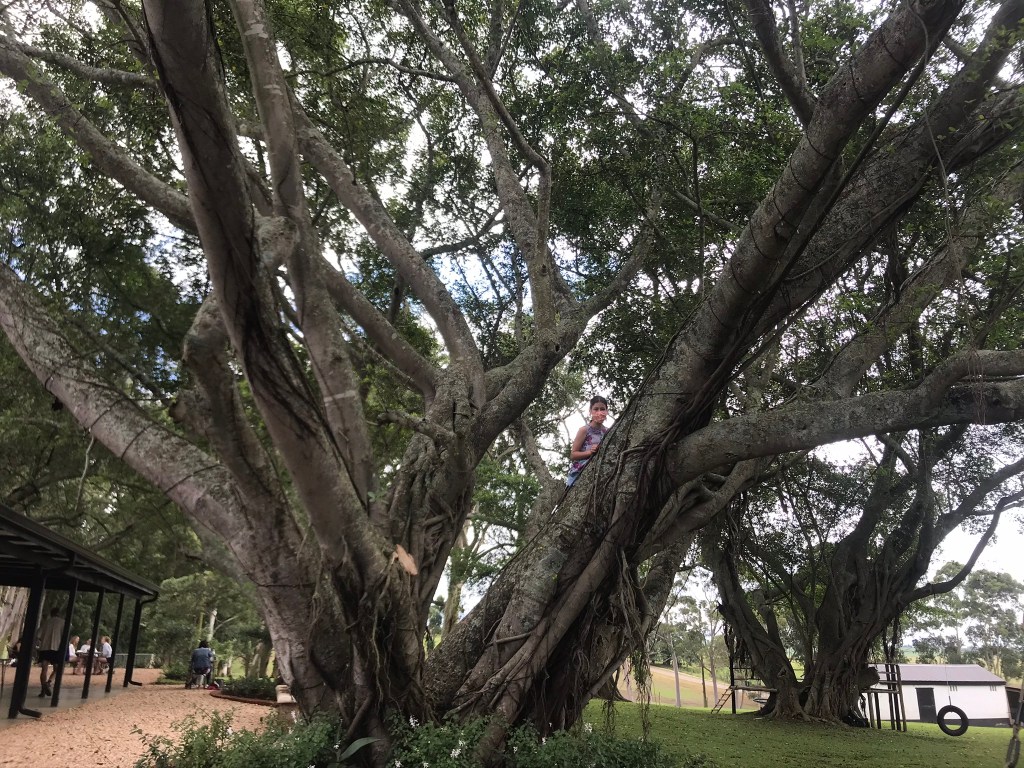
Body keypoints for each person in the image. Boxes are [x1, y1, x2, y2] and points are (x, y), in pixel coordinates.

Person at [566, 396, 610, 487]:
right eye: (596, 409)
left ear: (606, 411)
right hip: (579, 473)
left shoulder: (609, 432)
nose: (599, 412)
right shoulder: (584, 430)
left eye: (602, 409)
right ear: (590, 411)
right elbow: (573, 455)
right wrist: (590, 452)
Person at [35, 607, 65, 697]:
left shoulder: (46, 622)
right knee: (58, 669)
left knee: (44, 669)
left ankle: (43, 689)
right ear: (59, 613)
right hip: (56, 648)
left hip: (45, 647)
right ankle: (49, 682)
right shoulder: (63, 622)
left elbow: (38, 635)